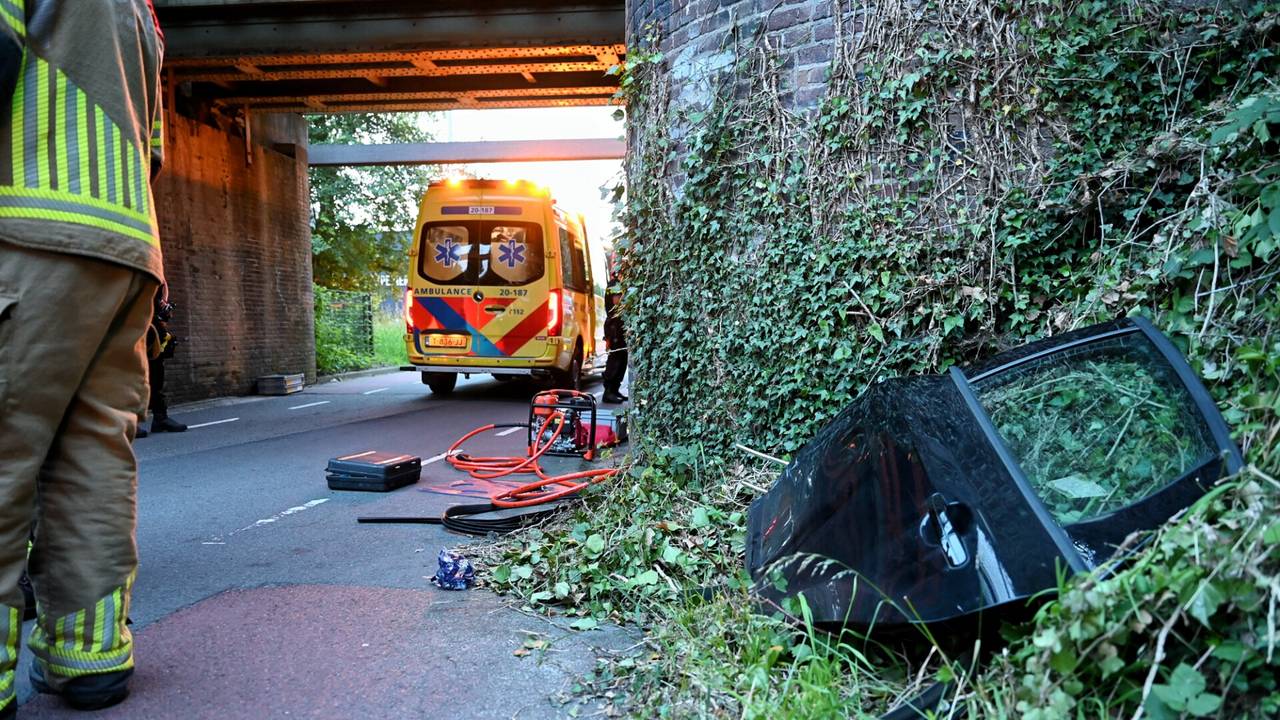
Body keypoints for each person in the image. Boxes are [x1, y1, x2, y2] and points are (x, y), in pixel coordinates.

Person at [0, 1, 165, 716]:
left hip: (26, 225)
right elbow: (153, 149)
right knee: (94, 457)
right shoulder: (141, 12)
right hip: (124, 246)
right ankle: (90, 657)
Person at [142, 293, 187, 435]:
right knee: (132, 379)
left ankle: (160, 418)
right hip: (140, 330)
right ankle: (127, 422)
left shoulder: (158, 285)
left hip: (153, 334)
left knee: (156, 378)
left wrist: (162, 309)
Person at [602, 276, 628, 404]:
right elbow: (615, 301)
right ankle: (608, 392)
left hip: (618, 323)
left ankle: (615, 389)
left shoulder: (618, 283)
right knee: (615, 360)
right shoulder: (614, 284)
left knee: (622, 359)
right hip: (614, 326)